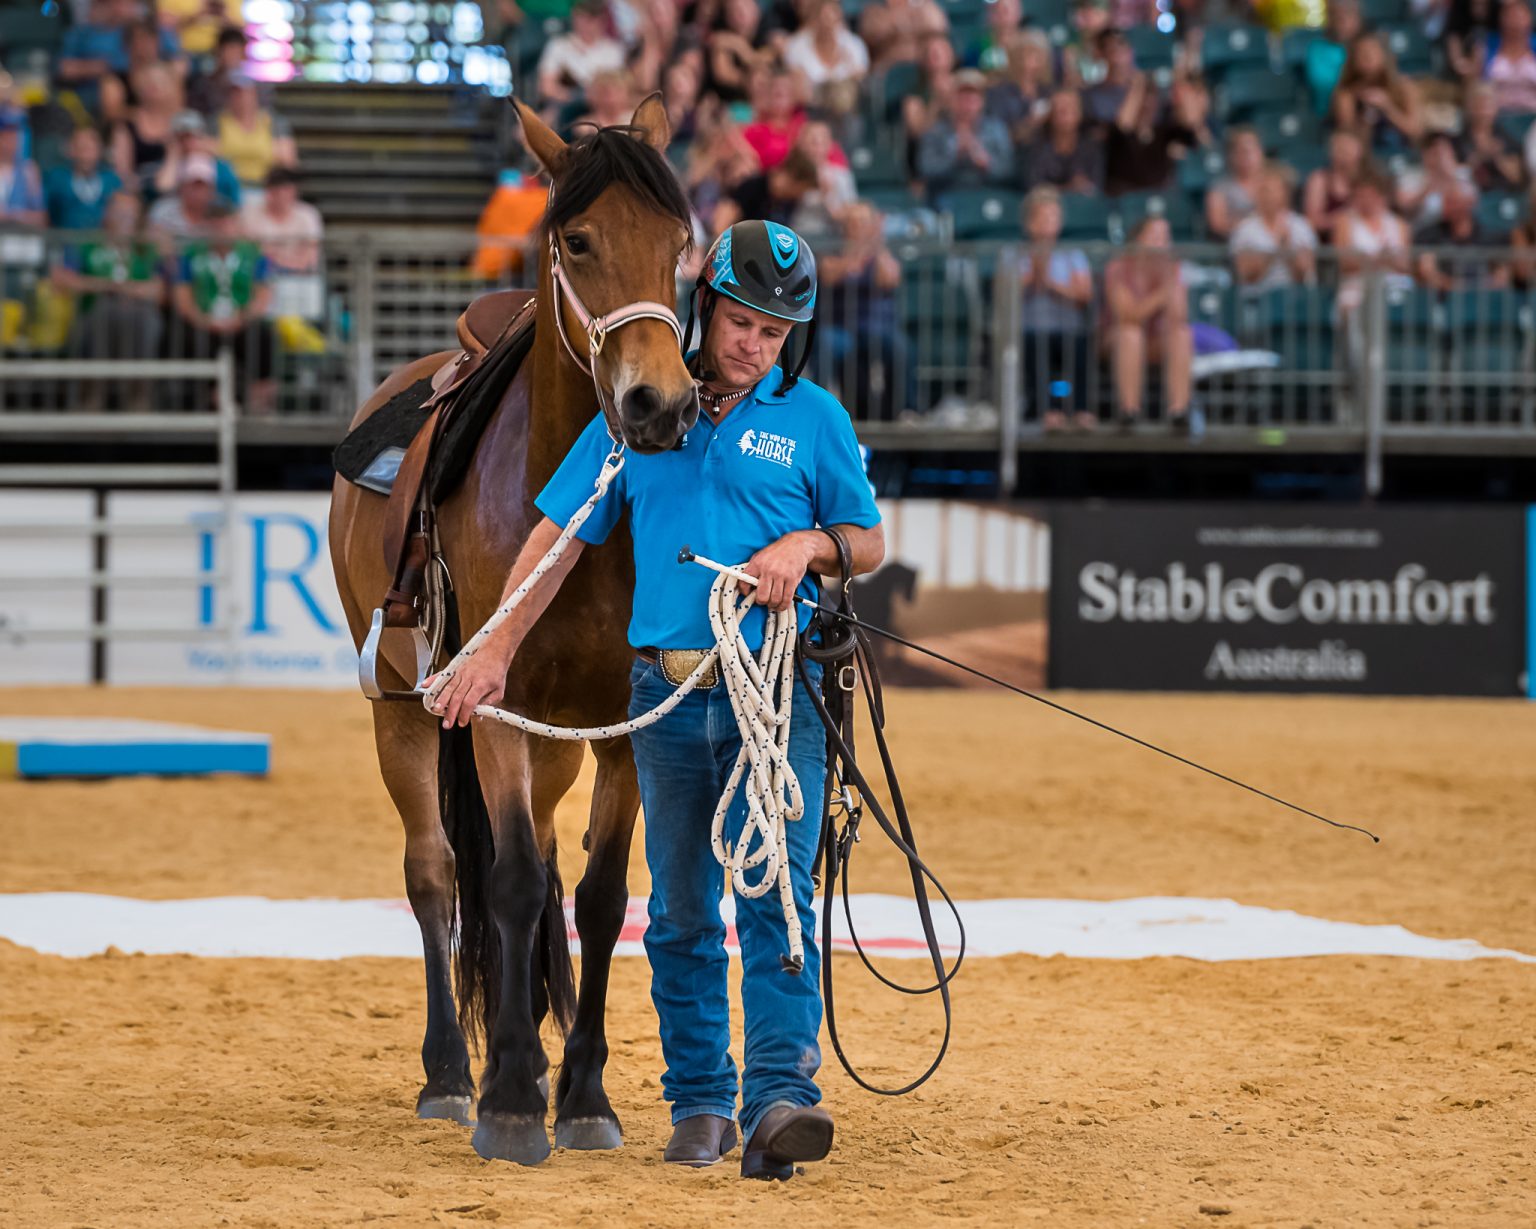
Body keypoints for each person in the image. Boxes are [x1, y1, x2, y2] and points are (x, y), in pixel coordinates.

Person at [427, 220, 885, 1182]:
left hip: (778, 692)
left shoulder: (816, 421)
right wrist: (494, 644)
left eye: (772, 329)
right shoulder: (642, 415)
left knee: (778, 897)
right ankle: (701, 1103)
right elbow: (558, 532)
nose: (752, 343)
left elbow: (864, 540)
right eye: (739, 320)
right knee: (679, 910)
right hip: (666, 697)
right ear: (704, 306)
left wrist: (805, 549)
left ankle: (778, 1100)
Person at [51, 190, 164, 409]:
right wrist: (107, 286)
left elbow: (158, 290)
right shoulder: (88, 244)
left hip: (137, 318)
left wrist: (124, 289)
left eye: (130, 214)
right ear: (107, 213)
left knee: (144, 319)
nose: (124, 219)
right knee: (104, 311)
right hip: (94, 315)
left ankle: (138, 396)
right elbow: (63, 279)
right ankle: (92, 394)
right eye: (119, 212)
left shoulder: (144, 249)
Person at [171, 198, 276, 413]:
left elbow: (263, 294)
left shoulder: (253, 254)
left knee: (264, 335)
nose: (220, 228)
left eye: (225, 222)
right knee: (185, 336)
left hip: (241, 321)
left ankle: (260, 399)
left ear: (235, 223)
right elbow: (182, 295)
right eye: (214, 223)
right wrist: (201, 319)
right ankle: (209, 398)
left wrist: (242, 317)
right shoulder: (191, 255)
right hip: (205, 321)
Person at [816, 201, 911, 418]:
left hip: (875, 328)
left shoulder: (879, 252)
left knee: (899, 347)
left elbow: (890, 279)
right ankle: (819, 411)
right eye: (853, 222)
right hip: (839, 327)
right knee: (826, 344)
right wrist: (853, 253)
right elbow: (829, 276)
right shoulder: (833, 249)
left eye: (863, 222)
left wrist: (876, 246)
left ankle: (904, 411)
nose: (858, 227)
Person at [1102, 215, 1194, 431]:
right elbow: (1127, 315)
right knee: (1131, 334)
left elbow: (1179, 316)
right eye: (1154, 235)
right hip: (1117, 338)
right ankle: (1129, 410)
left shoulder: (1173, 268)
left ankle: (1179, 410)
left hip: (1155, 339)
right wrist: (1162, 295)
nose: (1160, 242)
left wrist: (1172, 287)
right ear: (1137, 240)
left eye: (1165, 237)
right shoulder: (1118, 266)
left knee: (1181, 334)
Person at [1016, 187, 1094, 432]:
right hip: (1030, 329)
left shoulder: (1073, 255)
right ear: (1029, 222)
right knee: (1034, 348)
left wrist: (1051, 286)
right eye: (1044, 217)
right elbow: (1008, 292)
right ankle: (1046, 409)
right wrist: (1034, 276)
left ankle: (1081, 409)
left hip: (1068, 329)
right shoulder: (1016, 255)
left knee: (1080, 346)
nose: (1050, 223)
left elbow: (1084, 294)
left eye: (1054, 216)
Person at [916, 68, 1014, 201]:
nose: (967, 105)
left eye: (973, 99)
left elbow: (1009, 168)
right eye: (962, 98)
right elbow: (926, 168)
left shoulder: (996, 129)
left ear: (982, 102)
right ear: (952, 100)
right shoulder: (936, 131)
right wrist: (955, 156)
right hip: (947, 193)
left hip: (988, 194)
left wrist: (986, 162)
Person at [1104, 72, 1203, 197]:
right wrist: (1137, 88)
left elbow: (1191, 124)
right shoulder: (1118, 135)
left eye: (1152, 99)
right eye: (1143, 100)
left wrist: (1181, 87)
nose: (1147, 105)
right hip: (1125, 201)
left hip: (1157, 201)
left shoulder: (1164, 133)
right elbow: (1122, 125)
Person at [1231, 164, 1319, 295]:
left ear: (1284, 193)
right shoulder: (1245, 229)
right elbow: (1247, 275)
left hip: (1295, 300)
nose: (1265, 196)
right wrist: (1274, 249)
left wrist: (1287, 246)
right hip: (1257, 299)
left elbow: (1304, 273)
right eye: (1262, 190)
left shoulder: (1301, 226)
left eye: (1270, 190)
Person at [1331, 33, 1423, 153]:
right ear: (1353, 60)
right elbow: (1348, 141)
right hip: (1365, 159)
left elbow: (1416, 130)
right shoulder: (1346, 94)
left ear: (1384, 54)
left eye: (1372, 51)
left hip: (1404, 155)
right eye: (1361, 53)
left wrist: (1387, 106)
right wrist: (1367, 117)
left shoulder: (1404, 86)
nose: (1367, 57)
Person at [781, 0, 870, 120]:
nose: (827, 25)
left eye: (831, 18)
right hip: (812, 113)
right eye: (822, 18)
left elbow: (861, 80)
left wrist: (848, 63)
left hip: (848, 113)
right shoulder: (796, 46)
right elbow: (799, 91)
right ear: (813, 20)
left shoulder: (854, 45)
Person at [215, 72, 297, 194]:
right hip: (227, 191)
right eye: (236, 93)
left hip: (266, 190)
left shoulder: (273, 122)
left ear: (255, 94)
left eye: (245, 93)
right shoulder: (216, 122)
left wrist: (227, 150)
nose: (241, 98)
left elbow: (289, 160)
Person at [536, 1, 627, 110]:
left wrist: (596, 96)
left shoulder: (613, 50)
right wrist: (575, 97)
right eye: (580, 17)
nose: (584, 24)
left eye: (591, 18)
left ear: (602, 20)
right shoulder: (558, 45)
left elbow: (619, 87)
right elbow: (546, 87)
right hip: (566, 105)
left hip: (603, 107)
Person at [110, 62, 182, 196]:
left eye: (160, 81)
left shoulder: (182, 122)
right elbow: (122, 171)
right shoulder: (127, 124)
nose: (153, 85)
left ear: (171, 86)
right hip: (138, 191)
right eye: (148, 81)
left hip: (179, 192)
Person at [1415, 183, 1506, 289]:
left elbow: (1501, 274)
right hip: (1444, 298)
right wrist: (1456, 286)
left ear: (1470, 203)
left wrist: (1478, 288)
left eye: (1453, 202)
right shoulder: (1429, 234)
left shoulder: (1490, 233)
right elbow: (1427, 272)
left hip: (1484, 299)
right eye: (1445, 202)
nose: (1447, 207)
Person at [469, 163, 547, 279]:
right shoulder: (542, 198)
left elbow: (484, 226)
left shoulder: (502, 195)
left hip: (487, 266)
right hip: (512, 270)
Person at [240, 166, 323, 275]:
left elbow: (311, 254)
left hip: (300, 276)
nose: (282, 194)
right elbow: (251, 252)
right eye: (277, 189)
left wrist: (288, 266)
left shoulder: (308, 215)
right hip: (262, 276)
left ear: (295, 190)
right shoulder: (250, 215)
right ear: (268, 190)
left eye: (286, 189)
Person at [713, 148, 819, 231]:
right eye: (801, 189)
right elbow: (721, 225)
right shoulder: (752, 188)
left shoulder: (789, 202)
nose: (801, 195)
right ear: (792, 180)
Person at [1020, 88, 1103, 193]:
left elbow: (1096, 189)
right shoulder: (1038, 147)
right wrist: (1069, 188)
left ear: (1079, 113)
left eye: (1071, 109)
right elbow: (1033, 188)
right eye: (1061, 110)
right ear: (1050, 115)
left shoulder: (1091, 148)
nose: (1066, 116)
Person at [45, 126, 123, 231]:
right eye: (82, 149)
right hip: (65, 242)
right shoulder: (58, 179)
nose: (86, 156)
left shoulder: (111, 182)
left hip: (100, 243)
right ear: (71, 150)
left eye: (91, 149)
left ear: (100, 151)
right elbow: (46, 214)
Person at [986, 29, 1055, 146]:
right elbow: (998, 138)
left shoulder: (1049, 92)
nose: (1027, 63)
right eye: (1020, 56)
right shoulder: (998, 94)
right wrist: (1030, 123)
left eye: (1035, 57)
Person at [1396, 131, 1475, 233]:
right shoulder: (1411, 177)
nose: (1440, 157)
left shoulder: (1463, 173)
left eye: (1444, 151)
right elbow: (1404, 208)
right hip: (1422, 236)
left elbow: (1470, 204)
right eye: (1435, 152)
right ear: (1425, 154)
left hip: (1454, 233)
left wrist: (1449, 175)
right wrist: (1430, 184)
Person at [1460, 82, 1525, 192]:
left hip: (1502, 194)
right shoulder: (1458, 140)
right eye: (1478, 106)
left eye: (1486, 106)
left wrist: (1498, 156)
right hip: (1468, 195)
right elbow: (1453, 173)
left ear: (1495, 108)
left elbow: (1516, 178)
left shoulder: (1506, 138)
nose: (1482, 112)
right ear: (1469, 108)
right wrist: (1478, 157)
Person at [1303, 127, 1365, 244]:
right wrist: (1342, 220)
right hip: (1329, 246)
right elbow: (1312, 222)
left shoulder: (1367, 181)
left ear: (1359, 150)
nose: (1344, 154)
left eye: (1348, 149)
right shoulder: (1320, 179)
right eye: (1340, 149)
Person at [147, 151, 223, 245]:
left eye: (202, 186)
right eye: (193, 185)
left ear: (212, 189)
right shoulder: (162, 211)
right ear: (182, 187)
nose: (197, 192)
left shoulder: (222, 214)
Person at [1205, 126, 1265, 242]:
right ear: (1232, 156)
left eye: (1251, 150)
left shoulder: (1273, 183)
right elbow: (1217, 224)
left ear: (1260, 152)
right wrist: (1250, 226)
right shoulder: (1220, 187)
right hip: (1234, 246)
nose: (1247, 157)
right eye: (1242, 151)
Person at [1305, 0, 1363, 117]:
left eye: (1349, 14)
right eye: (1338, 16)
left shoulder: (1367, 45)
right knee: (1345, 98)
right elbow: (1322, 83)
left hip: (1367, 106)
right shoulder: (1317, 48)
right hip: (1330, 112)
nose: (1344, 21)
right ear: (1329, 19)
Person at [741, 69, 805, 170]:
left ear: (794, 98)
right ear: (768, 97)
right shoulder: (754, 129)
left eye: (786, 94)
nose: (780, 100)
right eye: (777, 95)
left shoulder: (802, 123)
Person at [858, 0, 948, 71]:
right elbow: (874, 32)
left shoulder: (924, 7)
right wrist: (902, 19)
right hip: (885, 73)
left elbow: (937, 24)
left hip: (919, 74)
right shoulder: (874, 9)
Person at [1483, 0, 1536, 114]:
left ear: (1530, 18)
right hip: (1495, 116)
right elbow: (1476, 89)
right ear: (1501, 19)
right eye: (1510, 16)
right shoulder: (1485, 48)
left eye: (1519, 16)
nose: (1515, 22)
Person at [0, 108, 46, 228]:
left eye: (15, 135)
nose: (11, 141)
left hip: (21, 241)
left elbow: (41, 217)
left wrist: (13, 216)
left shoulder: (29, 170)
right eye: (5, 136)